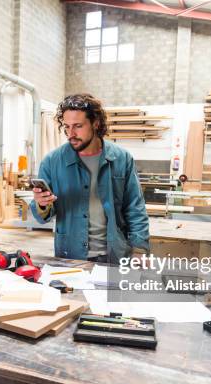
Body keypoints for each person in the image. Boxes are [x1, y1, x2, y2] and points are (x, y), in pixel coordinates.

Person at [30, 93, 149, 264]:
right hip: (70, 254)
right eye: (67, 126)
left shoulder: (122, 159)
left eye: (78, 126)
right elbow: (42, 218)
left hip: (115, 254)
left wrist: (139, 249)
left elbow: (135, 208)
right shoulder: (52, 162)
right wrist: (42, 204)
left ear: (96, 123)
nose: (71, 133)